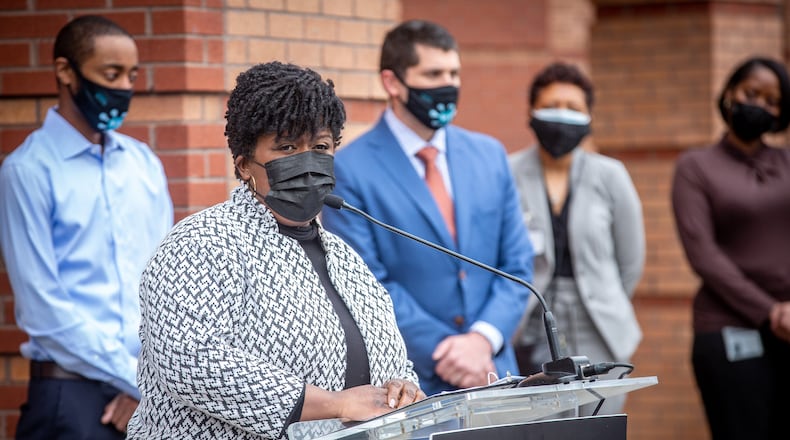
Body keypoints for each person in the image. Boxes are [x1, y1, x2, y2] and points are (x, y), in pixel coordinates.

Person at [127, 61, 425, 440]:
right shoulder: (201, 243)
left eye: (320, 147)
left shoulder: (345, 258)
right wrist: (336, 404)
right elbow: (190, 361)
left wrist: (402, 389)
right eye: (287, 147)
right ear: (244, 165)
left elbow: (390, 364)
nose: (307, 161)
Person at [321, 19, 534, 397]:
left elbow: (516, 264)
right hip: (410, 384)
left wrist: (483, 340)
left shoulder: (490, 155)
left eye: (454, 73)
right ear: (392, 82)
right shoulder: (349, 169)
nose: (448, 85)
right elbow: (366, 283)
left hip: (496, 373)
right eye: (434, 73)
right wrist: (449, 353)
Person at [0, 15, 173, 439]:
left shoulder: (143, 163)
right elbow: (44, 312)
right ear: (65, 72)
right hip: (69, 398)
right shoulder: (27, 171)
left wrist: (151, 386)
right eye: (110, 74)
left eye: (131, 75)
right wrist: (137, 380)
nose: (123, 87)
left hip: (147, 396)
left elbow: (168, 280)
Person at [509, 62, 645, 415]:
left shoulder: (611, 175)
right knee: (542, 426)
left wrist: (603, 295)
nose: (561, 116)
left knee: (601, 424)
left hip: (599, 324)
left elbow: (631, 261)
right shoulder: (507, 172)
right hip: (532, 324)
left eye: (573, 109)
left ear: (589, 116)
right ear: (531, 111)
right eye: (552, 105)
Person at [671, 56, 790, 440]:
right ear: (728, 94)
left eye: (772, 101)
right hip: (729, 330)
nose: (760, 105)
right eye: (751, 93)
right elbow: (703, 255)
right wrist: (770, 311)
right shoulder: (697, 167)